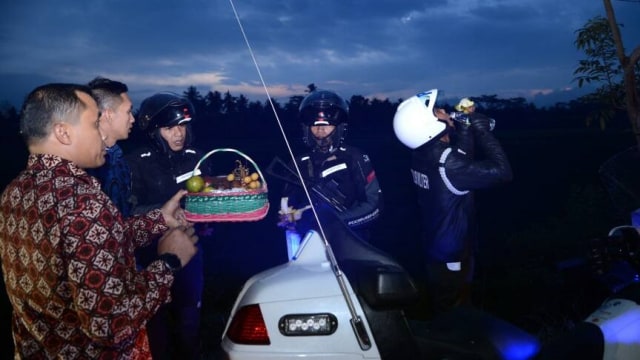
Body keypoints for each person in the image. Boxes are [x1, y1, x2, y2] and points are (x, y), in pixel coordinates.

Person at [0, 83, 199, 358]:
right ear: (63, 132)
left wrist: (159, 219)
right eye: (94, 124)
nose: (102, 134)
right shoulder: (82, 202)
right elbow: (110, 325)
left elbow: (92, 245)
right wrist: (168, 262)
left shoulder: (15, 191)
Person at [393, 89, 513, 316]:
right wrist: (483, 132)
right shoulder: (445, 164)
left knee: (445, 306)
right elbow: (502, 172)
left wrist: (465, 128)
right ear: (428, 127)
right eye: (436, 111)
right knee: (456, 315)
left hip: (437, 248)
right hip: (452, 257)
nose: (443, 110)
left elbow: (460, 159)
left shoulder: (422, 154)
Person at [126, 92, 209, 359]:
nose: (178, 134)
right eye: (169, 128)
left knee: (189, 321)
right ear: (154, 131)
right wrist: (163, 213)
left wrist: (207, 220)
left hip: (191, 251)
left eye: (182, 126)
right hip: (151, 255)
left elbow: (206, 198)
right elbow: (126, 212)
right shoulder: (136, 163)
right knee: (155, 325)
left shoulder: (198, 157)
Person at [278, 89, 383, 258]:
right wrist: (288, 217)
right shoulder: (297, 163)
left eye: (327, 125)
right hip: (306, 246)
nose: (321, 132)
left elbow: (374, 206)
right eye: (315, 126)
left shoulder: (355, 158)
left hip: (351, 244)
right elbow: (287, 204)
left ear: (339, 127)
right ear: (307, 128)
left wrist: (334, 222)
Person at [86, 76, 135, 217]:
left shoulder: (118, 157)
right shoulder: (87, 166)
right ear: (108, 114)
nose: (132, 119)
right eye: (128, 112)